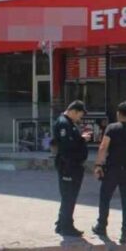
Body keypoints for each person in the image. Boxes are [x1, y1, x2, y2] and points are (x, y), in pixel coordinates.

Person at [92, 101, 126, 244]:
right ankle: (125, 234)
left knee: (105, 197)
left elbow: (103, 147)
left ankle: (101, 226)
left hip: (112, 169)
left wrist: (98, 164)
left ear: (118, 113)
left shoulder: (112, 128)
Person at [52, 101, 90, 237]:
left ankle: (61, 224)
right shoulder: (64, 123)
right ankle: (66, 227)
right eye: (79, 115)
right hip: (68, 166)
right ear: (73, 111)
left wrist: (80, 138)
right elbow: (67, 146)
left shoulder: (68, 122)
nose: (80, 118)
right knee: (69, 196)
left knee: (69, 196)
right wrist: (82, 140)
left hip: (72, 165)